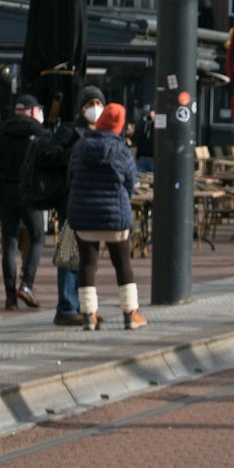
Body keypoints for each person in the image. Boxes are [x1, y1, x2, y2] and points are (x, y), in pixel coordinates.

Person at [66, 101, 145, 331]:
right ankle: (130, 313)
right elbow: (130, 181)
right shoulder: (121, 150)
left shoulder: (80, 147)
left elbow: (70, 178)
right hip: (114, 217)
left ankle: (89, 315)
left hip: (83, 214)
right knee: (122, 264)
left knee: (87, 265)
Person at [40, 86, 105, 326]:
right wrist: (75, 153)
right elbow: (47, 155)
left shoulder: (103, 131)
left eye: (99, 102)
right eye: (90, 103)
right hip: (72, 201)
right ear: (81, 107)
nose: (95, 108)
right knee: (70, 254)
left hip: (93, 202)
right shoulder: (70, 131)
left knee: (87, 258)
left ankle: (84, 307)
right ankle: (67, 307)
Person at [0, 93, 45, 312]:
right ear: (31, 110)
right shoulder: (39, 132)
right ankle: (26, 283)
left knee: (8, 242)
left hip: (6, 192)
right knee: (38, 236)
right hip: (30, 193)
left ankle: (10, 298)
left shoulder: (1, 132)